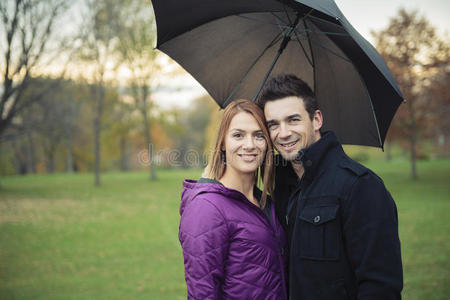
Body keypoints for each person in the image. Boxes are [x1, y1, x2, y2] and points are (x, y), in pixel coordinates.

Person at [258, 74, 403, 300]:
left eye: (293, 120)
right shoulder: (281, 186)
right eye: (273, 124)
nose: (283, 133)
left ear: (316, 120)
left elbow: (380, 287)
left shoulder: (360, 186)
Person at [178, 99, 287, 299]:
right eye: (238, 135)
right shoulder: (207, 208)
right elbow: (203, 293)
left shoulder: (266, 203)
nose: (250, 145)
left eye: (259, 136)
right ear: (222, 143)